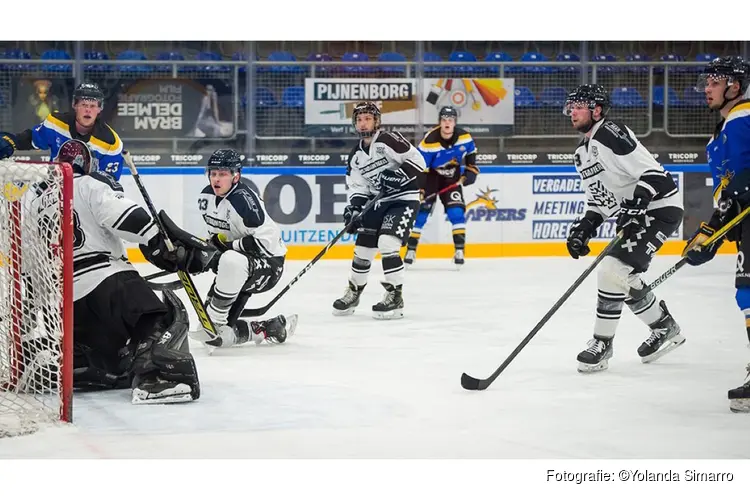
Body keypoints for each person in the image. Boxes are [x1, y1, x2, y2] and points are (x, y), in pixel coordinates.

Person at [29, 139, 212, 404]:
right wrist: (158, 241)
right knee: (159, 319)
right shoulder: (88, 184)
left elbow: (28, 267)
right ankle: (158, 377)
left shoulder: (34, 205)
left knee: (112, 357)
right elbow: (124, 215)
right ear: (87, 164)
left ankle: (95, 365)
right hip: (107, 279)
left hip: (65, 302)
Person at [563, 84, 685, 373]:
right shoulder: (581, 153)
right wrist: (585, 227)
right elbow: (600, 201)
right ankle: (665, 326)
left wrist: (638, 201)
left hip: (661, 208)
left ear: (597, 110)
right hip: (640, 213)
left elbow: (656, 176)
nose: (572, 112)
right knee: (620, 279)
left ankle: (602, 343)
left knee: (611, 270)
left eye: (579, 105)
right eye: (571, 106)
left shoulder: (610, 133)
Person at [681, 56, 750, 413]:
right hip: (745, 221)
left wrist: (713, 229)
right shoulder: (723, 129)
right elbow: (732, 192)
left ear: (734, 87)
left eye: (714, 82)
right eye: (705, 83)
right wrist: (712, 233)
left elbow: (742, 182)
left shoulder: (744, 117)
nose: (706, 89)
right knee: (747, 293)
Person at [194, 148, 298, 349]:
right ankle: (267, 328)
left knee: (231, 259)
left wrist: (225, 249)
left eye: (223, 174)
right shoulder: (206, 197)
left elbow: (261, 244)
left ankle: (217, 319)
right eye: (213, 173)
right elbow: (215, 236)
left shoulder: (243, 200)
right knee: (217, 337)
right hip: (237, 265)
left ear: (236, 176)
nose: (216, 179)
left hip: (268, 265)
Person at [332, 101, 427, 319]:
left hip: (403, 199)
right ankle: (354, 292)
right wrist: (354, 209)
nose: (363, 123)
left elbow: (418, 160)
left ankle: (395, 296)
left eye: (368, 118)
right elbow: (358, 185)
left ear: (376, 121)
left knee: (387, 243)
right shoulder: (356, 154)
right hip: (378, 201)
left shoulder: (389, 140)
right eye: (359, 119)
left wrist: (397, 176)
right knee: (362, 248)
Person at [0, 82, 126, 180]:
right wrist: (11, 141)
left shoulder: (111, 143)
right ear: (74, 105)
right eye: (83, 105)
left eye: (92, 106)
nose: (88, 110)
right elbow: (32, 139)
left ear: (99, 109)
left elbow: (109, 184)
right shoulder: (56, 123)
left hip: (88, 197)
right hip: (55, 187)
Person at [405, 106, 479, 269]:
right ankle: (411, 250)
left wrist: (470, 172)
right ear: (440, 122)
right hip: (431, 178)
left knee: (456, 212)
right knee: (421, 214)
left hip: (451, 179)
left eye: (450, 120)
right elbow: (420, 168)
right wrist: (422, 189)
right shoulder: (429, 141)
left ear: (454, 122)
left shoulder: (465, 138)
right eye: (444, 120)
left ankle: (459, 250)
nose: (447, 123)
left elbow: (471, 155)